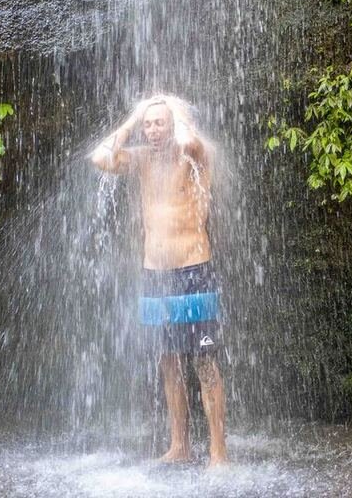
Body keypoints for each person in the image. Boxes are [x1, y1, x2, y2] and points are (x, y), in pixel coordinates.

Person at [90, 94, 228, 466]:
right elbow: (100, 158)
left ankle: (218, 453)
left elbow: (188, 140)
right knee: (168, 361)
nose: (152, 131)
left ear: (174, 123)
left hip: (194, 269)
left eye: (158, 123)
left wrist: (177, 112)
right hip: (155, 275)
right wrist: (132, 118)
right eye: (148, 125)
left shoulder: (195, 154)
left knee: (204, 361)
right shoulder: (141, 159)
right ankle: (179, 446)